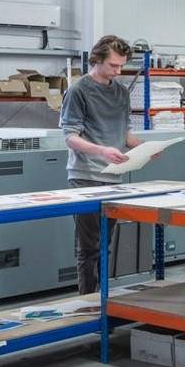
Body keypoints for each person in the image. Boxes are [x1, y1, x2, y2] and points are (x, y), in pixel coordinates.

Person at [59, 35, 141, 294]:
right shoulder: (78, 91)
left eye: (121, 66)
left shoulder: (120, 92)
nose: (118, 72)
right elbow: (71, 137)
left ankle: (103, 299)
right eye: (113, 66)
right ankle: (87, 302)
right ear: (97, 59)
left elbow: (124, 135)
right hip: (86, 175)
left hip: (113, 176)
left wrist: (143, 149)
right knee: (89, 247)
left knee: (104, 245)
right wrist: (102, 151)